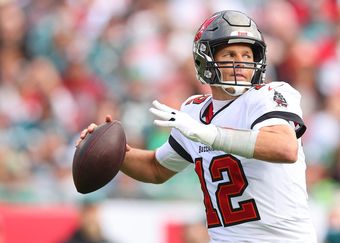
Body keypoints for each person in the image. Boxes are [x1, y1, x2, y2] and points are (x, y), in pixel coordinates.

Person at [77, 10, 317, 242]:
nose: (241, 63)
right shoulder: (195, 111)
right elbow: (156, 168)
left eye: (247, 55)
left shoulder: (269, 95)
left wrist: (208, 134)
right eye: (230, 55)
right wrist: (111, 150)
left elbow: (284, 147)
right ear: (207, 60)